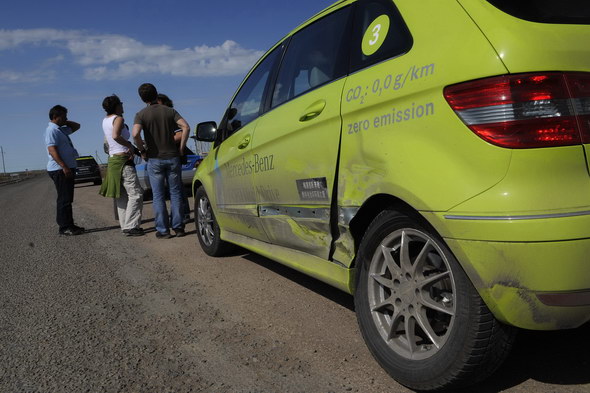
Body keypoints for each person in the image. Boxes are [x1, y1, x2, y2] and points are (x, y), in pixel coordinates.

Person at [132, 83, 190, 239]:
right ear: (156, 93)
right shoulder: (170, 111)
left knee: (158, 196)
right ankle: (178, 227)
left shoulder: (141, 114)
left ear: (142, 98)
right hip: (172, 156)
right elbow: (186, 127)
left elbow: (135, 134)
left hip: (154, 158)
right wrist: (181, 148)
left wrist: (142, 151)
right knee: (176, 193)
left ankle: (163, 230)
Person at [99, 95, 144, 236]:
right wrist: (129, 145)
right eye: (121, 103)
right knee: (136, 194)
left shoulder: (105, 120)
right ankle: (131, 226)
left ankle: (125, 225)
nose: (123, 105)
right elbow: (115, 135)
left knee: (122, 196)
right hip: (123, 160)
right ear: (117, 106)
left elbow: (110, 140)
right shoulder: (118, 119)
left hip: (113, 160)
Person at [44, 105, 85, 236]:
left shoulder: (61, 130)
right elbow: (52, 150)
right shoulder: (52, 131)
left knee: (67, 198)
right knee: (64, 199)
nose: (67, 118)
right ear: (55, 117)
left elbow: (77, 126)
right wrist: (64, 166)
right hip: (59, 169)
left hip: (65, 168)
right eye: (64, 116)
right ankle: (64, 227)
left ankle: (70, 224)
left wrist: (65, 121)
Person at [157, 93, 192, 224]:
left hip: (173, 154)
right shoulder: (161, 119)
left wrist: (162, 141)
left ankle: (183, 214)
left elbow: (181, 134)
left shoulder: (171, 118)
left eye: (159, 104)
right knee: (175, 186)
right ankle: (181, 214)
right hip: (165, 156)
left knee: (176, 187)